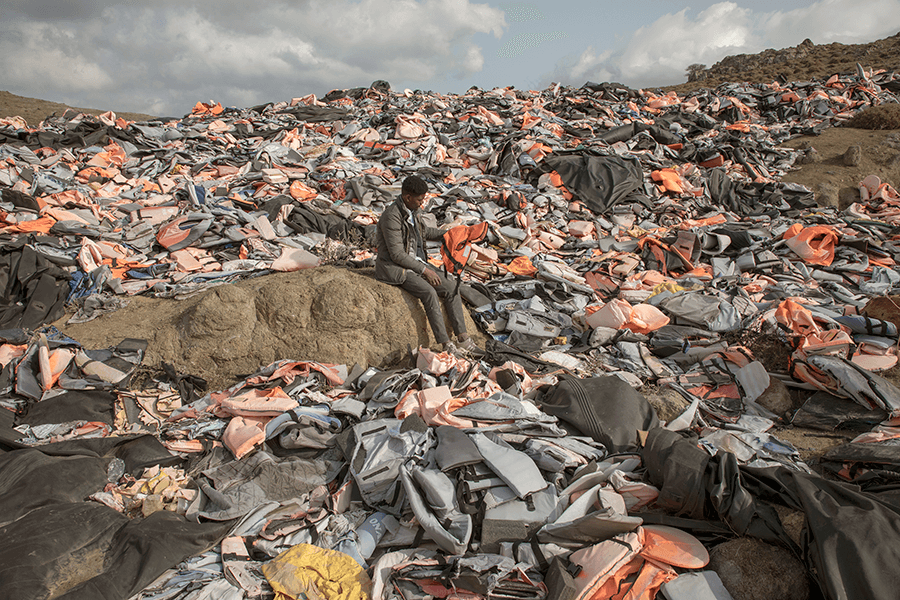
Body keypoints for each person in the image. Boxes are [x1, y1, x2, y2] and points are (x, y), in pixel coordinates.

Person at [375, 175, 483, 355]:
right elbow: (397, 254)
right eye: (419, 200)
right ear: (407, 198)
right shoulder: (391, 217)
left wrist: (450, 235)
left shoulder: (412, 212)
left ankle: (463, 340)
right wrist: (425, 271)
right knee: (429, 292)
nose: (421, 203)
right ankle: (446, 345)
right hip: (396, 268)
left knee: (452, 288)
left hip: (417, 262)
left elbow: (424, 232)